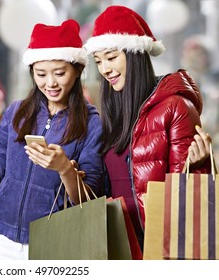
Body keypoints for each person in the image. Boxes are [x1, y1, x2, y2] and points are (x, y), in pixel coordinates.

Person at [0, 19, 103, 260]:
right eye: (41, 74)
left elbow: (88, 200)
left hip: (51, 242)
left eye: (60, 73)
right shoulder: (17, 112)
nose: (50, 83)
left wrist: (64, 168)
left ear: (78, 70)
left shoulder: (91, 124)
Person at [83, 5, 212, 249]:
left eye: (111, 57)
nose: (105, 69)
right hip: (116, 243)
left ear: (134, 54)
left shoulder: (176, 107)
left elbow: (188, 197)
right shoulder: (113, 112)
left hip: (157, 245)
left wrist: (197, 165)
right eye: (99, 61)